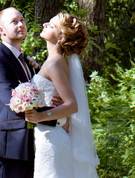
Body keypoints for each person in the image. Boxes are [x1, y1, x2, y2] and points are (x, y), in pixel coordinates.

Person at [23, 13, 99, 178]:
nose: (44, 24)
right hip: (49, 135)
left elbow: (72, 105)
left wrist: (40, 116)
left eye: (51, 26)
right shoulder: (54, 61)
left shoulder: (54, 63)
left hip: (52, 137)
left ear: (61, 38)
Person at [0, 7, 47, 178]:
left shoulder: (26, 60)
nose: (21, 24)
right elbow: (14, 101)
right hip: (10, 146)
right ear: (1, 30)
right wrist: (54, 115)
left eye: (22, 20)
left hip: (33, 142)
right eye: (14, 21)